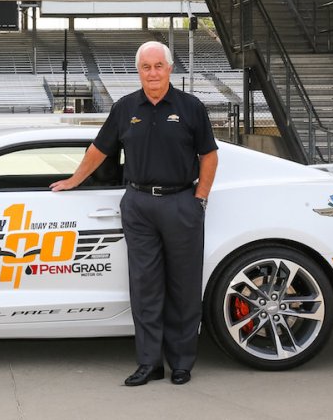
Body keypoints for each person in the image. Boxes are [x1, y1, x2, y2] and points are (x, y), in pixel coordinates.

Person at [51, 40, 218, 386]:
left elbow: (209, 155)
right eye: (146, 67)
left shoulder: (191, 107)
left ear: (170, 69)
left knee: (184, 287)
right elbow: (99, 149)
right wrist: (74, 179)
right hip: (139, 205)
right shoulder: (126, 108)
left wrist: (198, 198)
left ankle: (182, 362)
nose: (153, 73)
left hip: (180, 202)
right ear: (138, 71)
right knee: (145, 287)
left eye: (159, 66)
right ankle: (149, 363)